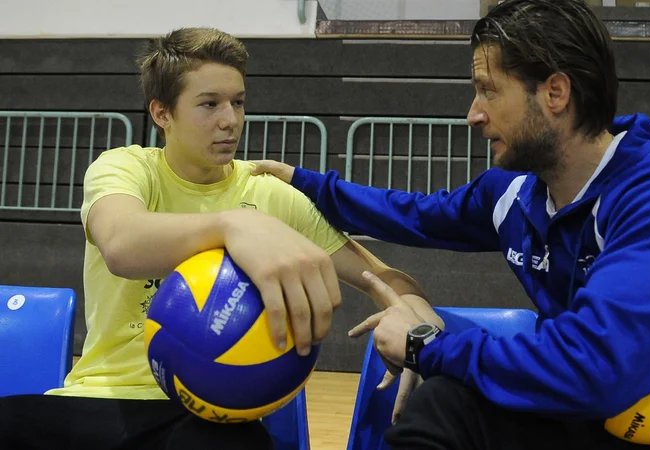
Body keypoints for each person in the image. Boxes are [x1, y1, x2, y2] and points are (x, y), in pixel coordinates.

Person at [249, 0, 650, 449]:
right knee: (441, 408)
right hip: (579, 415)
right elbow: (413, 212)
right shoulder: (517, 194)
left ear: (555, 94)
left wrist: (427, 345)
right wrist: (304, 184)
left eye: (487, 90)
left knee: (447, 380)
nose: (472, 115)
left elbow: (596, 366)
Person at [0, 27, 440, 450]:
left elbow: (384, 280)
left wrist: (421, 323)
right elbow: (120, 243)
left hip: (211, 414)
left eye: (238, 102)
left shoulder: (268, 194)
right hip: (103, 398)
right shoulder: (126, 168)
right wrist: (234, 226)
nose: (230, 120)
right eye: (209, 104)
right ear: (162, 113)